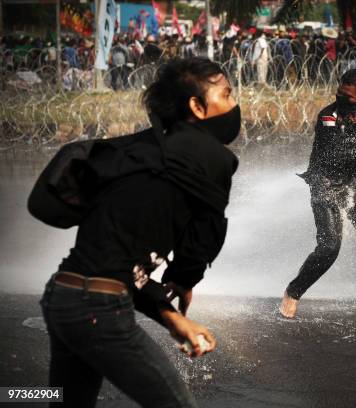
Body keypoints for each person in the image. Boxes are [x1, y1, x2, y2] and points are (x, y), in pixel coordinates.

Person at [37, 58, 241, 407]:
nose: (234, 104)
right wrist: (183, 281)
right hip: (97, 308)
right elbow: (206, 233)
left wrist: (169, 314)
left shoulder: (138, 153)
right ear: (196, 106)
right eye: (226, 94)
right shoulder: (212, 157)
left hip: (63, 295)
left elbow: (117, 264)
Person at [279, 69, 356, 318]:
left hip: (347, 183)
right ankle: (292, 293)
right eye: (339, 92)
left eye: (347, 96)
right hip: (324, 182)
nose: (340, 98)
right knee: (329, 247)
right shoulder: (329, 116)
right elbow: (334, 152)